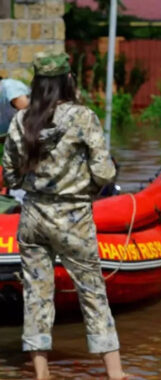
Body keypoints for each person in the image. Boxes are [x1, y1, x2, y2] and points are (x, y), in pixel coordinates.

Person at [1, 52, 125, 379]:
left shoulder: (21, 120)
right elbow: (103, 170)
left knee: (37, 296)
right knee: (93, 295)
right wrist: (87, 188)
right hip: (73, 218)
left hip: (33, 217)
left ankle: (41, 374)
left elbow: (10, 176)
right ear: (67, 79)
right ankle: (115, 375)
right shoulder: (83, 117)